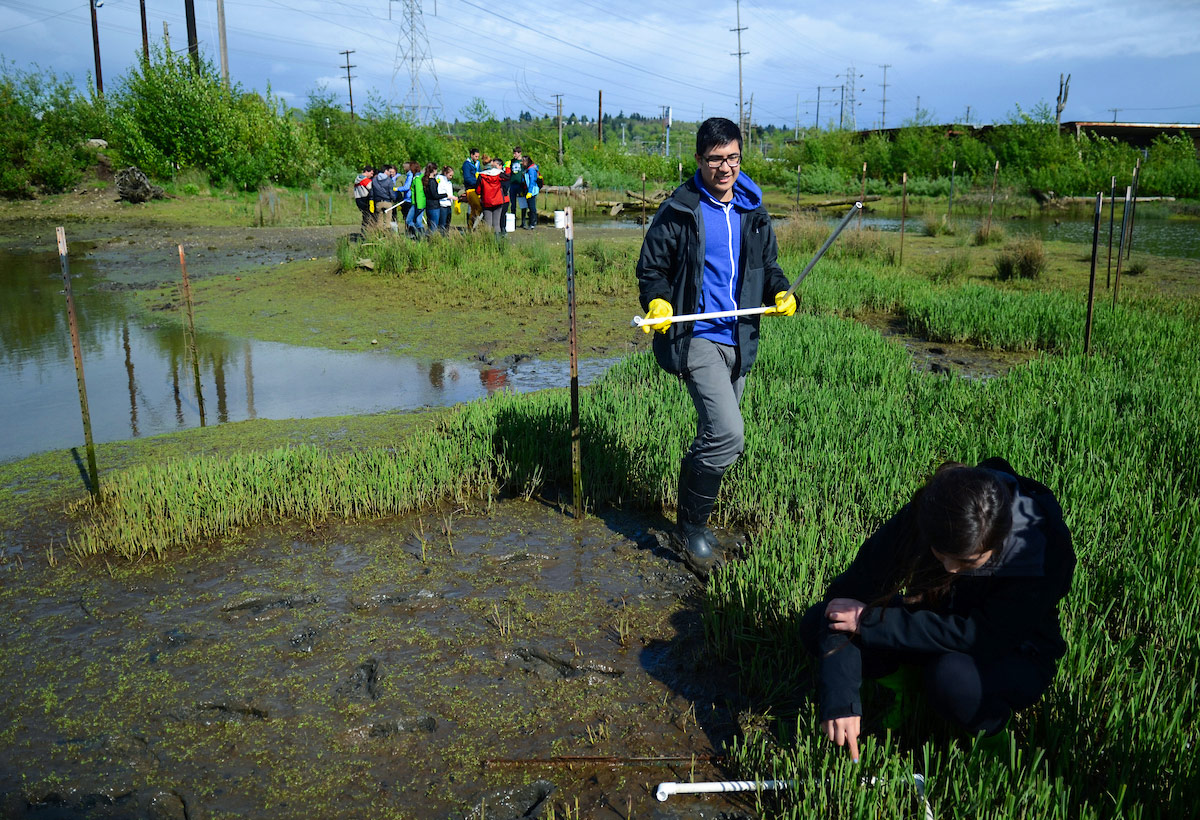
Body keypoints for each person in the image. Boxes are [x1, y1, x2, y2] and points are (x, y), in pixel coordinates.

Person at [800, 459, 1076, 761]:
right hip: (937, 622)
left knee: (948, 678)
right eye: (940, 554)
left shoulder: (1039, 550)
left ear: (998, 544)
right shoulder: (933, 512)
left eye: (968, 562)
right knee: (816, 623)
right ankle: (908, 690)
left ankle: (992, 741)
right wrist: (841, 699)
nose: (950, 569)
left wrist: (869, 623)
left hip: (1013, 651)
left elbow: (985, 637)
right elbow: (845, 597)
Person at [635, 116, 796, 574]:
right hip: (698, 337)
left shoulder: (753, 210)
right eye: (715, 159)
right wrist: (660, 301)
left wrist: (781, 293)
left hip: (741, 338)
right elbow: (653, 271)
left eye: (733, 158)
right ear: (699, 160)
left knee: (717, 438)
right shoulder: (679, 210)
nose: (725, 168)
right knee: (728, 433)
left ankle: (687, 516)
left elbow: (770, 268)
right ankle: (693, 531)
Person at [477, 157, 508, 236]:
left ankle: (488, 243)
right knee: (496, 224)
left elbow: (477, 190)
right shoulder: (499, 174)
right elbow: (508, 179)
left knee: (488, 223)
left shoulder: (481, 176)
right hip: (498, 200)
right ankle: (497, 243)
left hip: (487, 201)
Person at [371, 164, 397, 231]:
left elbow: (372, 192)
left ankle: (380, 234)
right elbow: (391, 192)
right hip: (387, 202)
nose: (390, 173)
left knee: (379, 221)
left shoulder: (374, 180)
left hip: (378, 202)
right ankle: (387, 234)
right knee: (388, 221)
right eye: (389, 171)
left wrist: (372, 200)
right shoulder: (389, 180)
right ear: (386, 171)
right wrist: (394, 199)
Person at [461, 148, 483, 229]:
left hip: (478, 189)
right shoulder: (467, 164)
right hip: (470, 188)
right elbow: (467, 178)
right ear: (471, 155)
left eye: (478, 156)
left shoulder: (477, 163)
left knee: (478, 207)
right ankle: (469, 225)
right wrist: (477, 182)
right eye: (476, 156)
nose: (477, 158)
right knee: (471, 206)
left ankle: (475, 225)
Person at [407, 160, 428, 237]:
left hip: (417, 203)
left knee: (409, 220)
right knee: (418, 221)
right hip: (421, 202)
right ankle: (422, 236)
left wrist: (418, 205)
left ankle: (416, 235)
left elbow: (419, 192)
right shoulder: (420, 177)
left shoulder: (417, 179)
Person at [506, 146, 525, 227]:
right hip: (513, 185)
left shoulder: (523, 162)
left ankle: (523, 221)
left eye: (515, 153)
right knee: (513, 203)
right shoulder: (511, 161)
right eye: (513, 153)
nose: (514, 155)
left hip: (521, 185)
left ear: (520, 153)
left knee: (522, 203)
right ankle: (512, 221)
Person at [353, 165, 375, 234]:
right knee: (369, 216)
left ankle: (364, 231)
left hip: (358, 199)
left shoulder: (357, 179)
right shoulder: (365, 180)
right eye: (371, 173)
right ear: (366, 172)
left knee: (365, 216)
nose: (372, 175)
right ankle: (367, 232)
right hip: (365, 199)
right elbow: (372, 188)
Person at [436, 166, 458, 233]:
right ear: (445, 173)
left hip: (448, 205)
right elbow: (440, 192)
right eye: (450, 175)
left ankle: (446, 235)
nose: (451, 177)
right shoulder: (440, 180)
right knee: (442, 224)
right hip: (442, 204)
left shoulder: (449, 182)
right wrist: (451, 197)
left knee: (447, 223)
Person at [521, 155, 539, 229]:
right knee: (529, 206)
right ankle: (531, 222)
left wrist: (530, 192)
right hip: (527, 189)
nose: (522, 163)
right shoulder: (526, 169)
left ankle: (533, 223)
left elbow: (532, 181)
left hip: (532, 190)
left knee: (532, 207)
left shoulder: (531, 169)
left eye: (523, 161)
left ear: (526, 162)